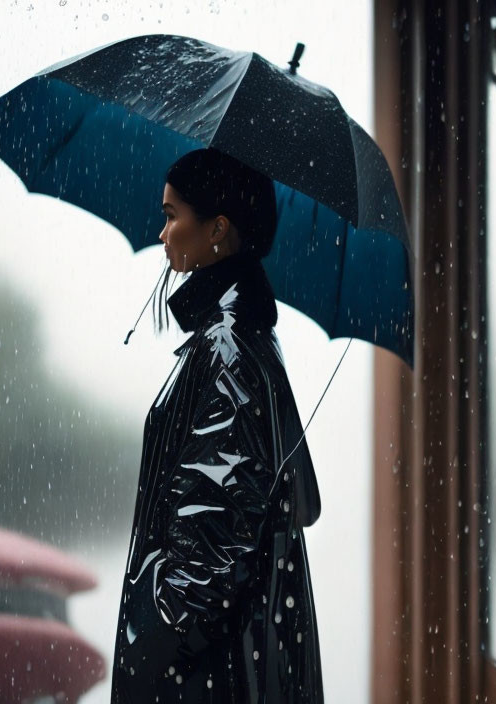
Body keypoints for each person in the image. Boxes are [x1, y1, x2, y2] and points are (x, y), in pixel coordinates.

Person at [111, 148, 324, 703]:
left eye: (171, 214)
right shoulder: (236, 336)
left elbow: (211, 553)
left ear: (217, 229)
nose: (162, 233)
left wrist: (149, 647)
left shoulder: (227, 349)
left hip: (212, 679)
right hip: (228, 666)